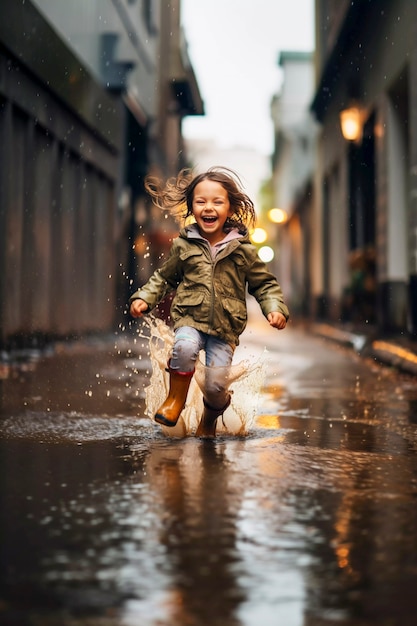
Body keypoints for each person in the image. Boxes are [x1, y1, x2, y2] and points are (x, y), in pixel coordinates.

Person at [129, 167, 289, 437]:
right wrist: (144, 297)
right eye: (201, 202)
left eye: (217, 202)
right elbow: (164, 278)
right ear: (192, 207)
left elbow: (265, 284)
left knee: (216, 387)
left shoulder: (244, 251)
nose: (208, 207)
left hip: (224, 330)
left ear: (230, 207)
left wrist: (274, 308)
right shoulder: (185, 246)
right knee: (184, 348)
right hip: (189, 318)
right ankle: (174, 401)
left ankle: (209, 420)